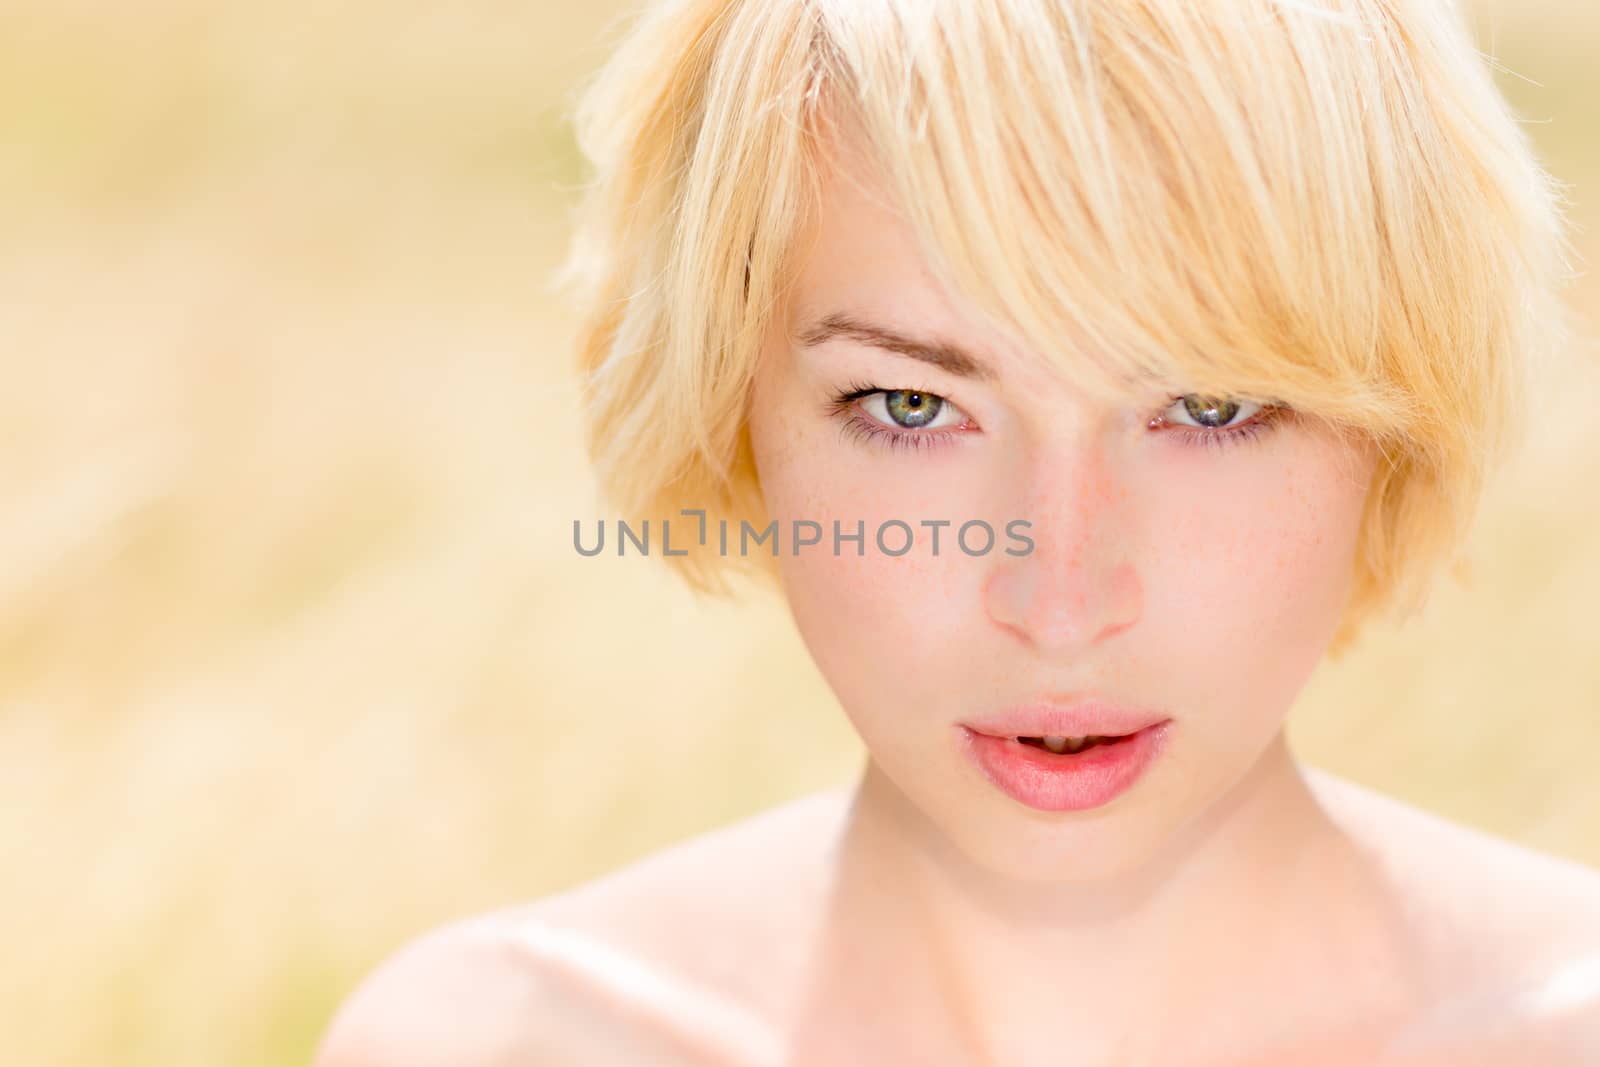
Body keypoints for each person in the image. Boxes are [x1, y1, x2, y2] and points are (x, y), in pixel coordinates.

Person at [313, 0, 1600, 1063]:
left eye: (1208, 406)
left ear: (1399, 416)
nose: (1058, 600)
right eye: (913, 405)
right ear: (729, 402)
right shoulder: (497, 1040)